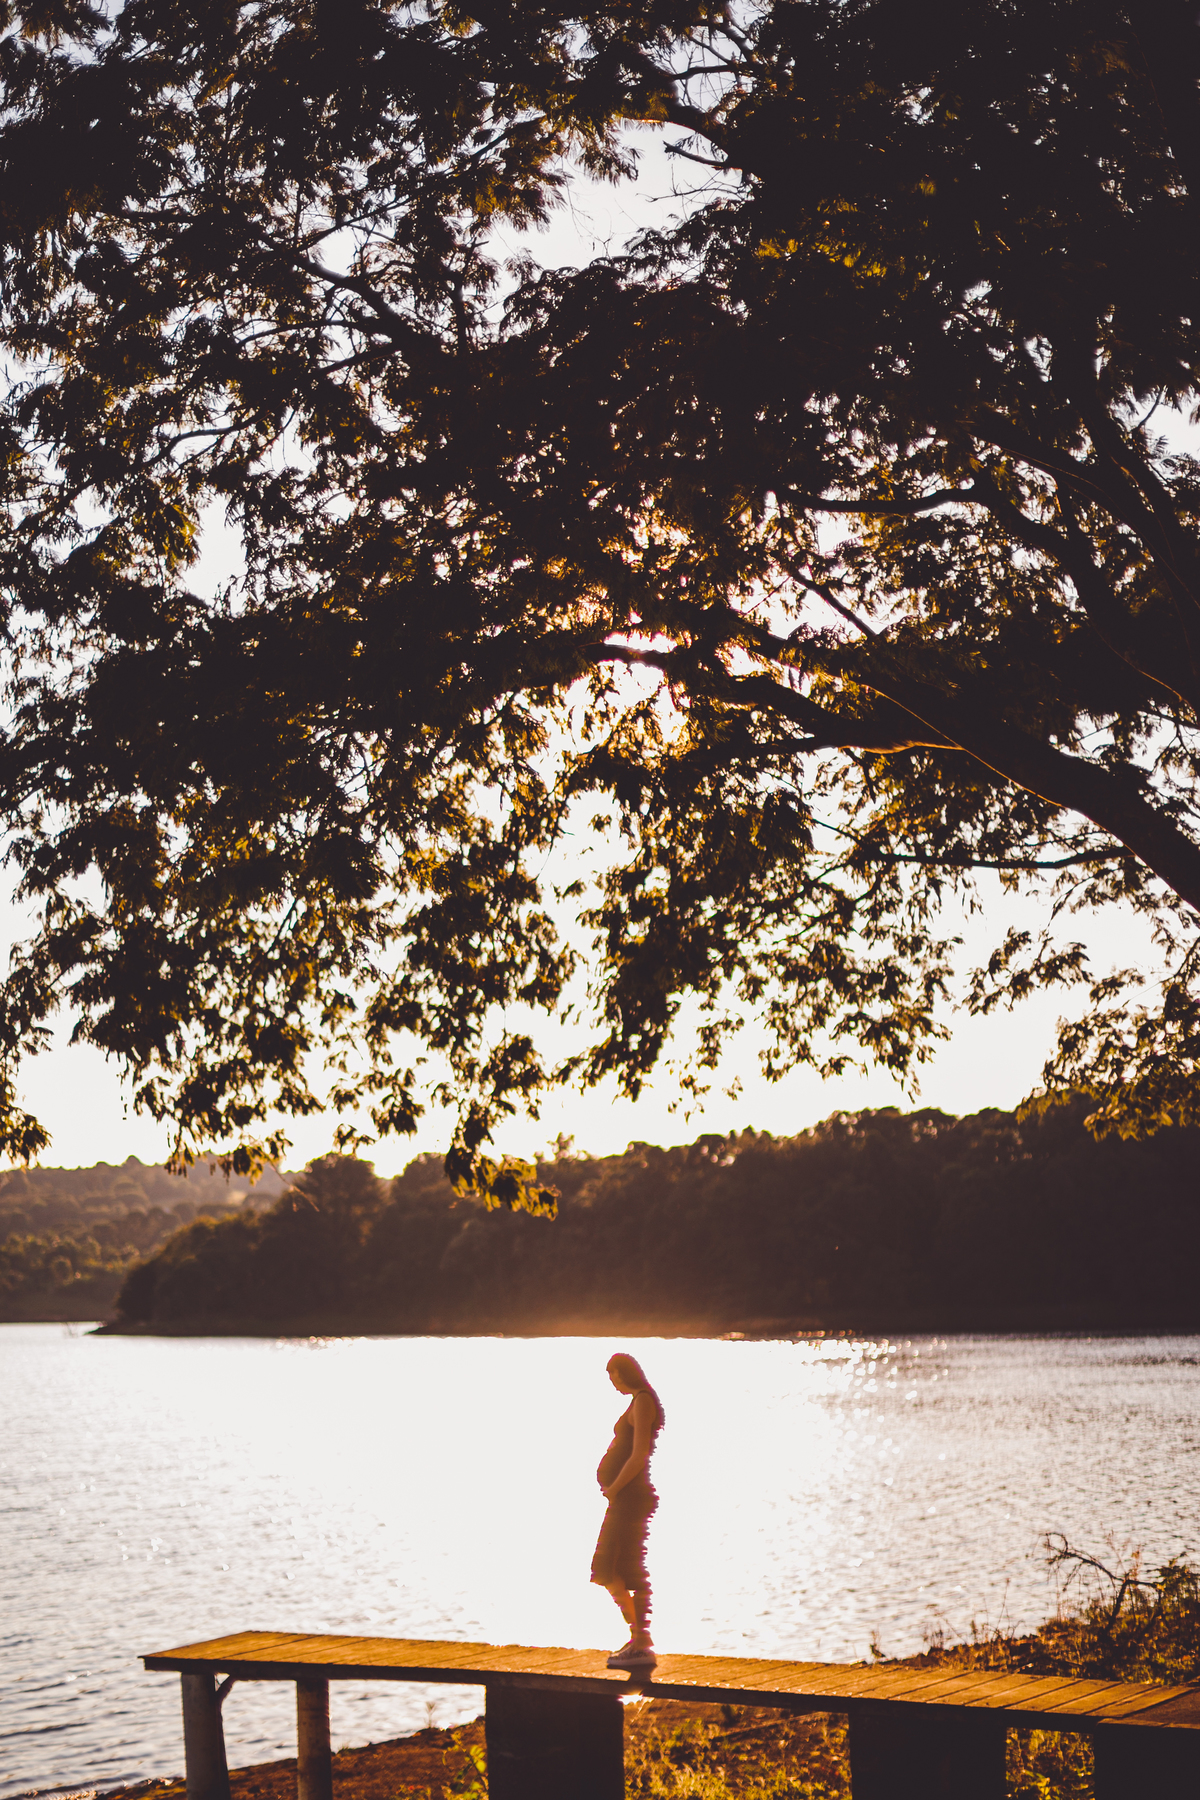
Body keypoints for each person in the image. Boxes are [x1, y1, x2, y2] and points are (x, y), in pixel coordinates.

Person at [591, 1351, 664, 1670]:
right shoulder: (637, 1400)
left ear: (626, 1373)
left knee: (625, 1567)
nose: (612, 1383)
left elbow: (638, 1456)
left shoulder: (644, 1400)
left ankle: (641, 1643)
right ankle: (638, 1639)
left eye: (613, 1376)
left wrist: (615, 1488)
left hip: (631, 1497)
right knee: (609, 1569)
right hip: (624, 1498)